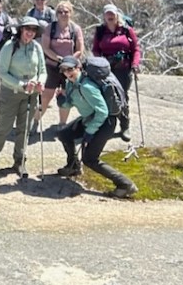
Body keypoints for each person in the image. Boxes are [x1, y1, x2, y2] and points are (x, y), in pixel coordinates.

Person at [54, 56, 138, 198]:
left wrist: (90, 131)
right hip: (89, 119)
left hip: (105, 123)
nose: (67, 72)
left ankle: (125, 184)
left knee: (90, 159)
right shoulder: (70, 83)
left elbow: (103, 111)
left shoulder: (87, 87)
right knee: (64, 134)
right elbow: (71, 103)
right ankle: (73, 166)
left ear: (78, 68)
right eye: (64, 70)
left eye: (70, 69)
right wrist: (61, 101)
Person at [0, 17, 46, 176]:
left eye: (33, 30)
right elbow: (2, 73)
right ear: (21, 30)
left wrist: (40, 82)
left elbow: (42, 70)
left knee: (24, 129)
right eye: (27, 29)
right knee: (4, 127)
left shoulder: (37, 47)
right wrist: (21, 84)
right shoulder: (9, 47)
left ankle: (20, 161)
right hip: (11, 93)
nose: (30, 32)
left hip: (31, 94)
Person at [91, 4, 141, 142]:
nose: (110, 16)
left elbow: (136, 49)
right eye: (107, 14)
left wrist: (135, 64)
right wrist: (99, 62)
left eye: (112, 14)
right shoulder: (101, 31)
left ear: (116, 15)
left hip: (123, 69)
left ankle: (125, 126)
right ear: (104, 16)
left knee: (122, 97)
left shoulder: (126, 30)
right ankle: (105, 126)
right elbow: (95, 49)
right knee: (105, 96)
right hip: (106, 69)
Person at [36, 0, 85, 132]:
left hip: (69, 68)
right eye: (60, 11)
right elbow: (45, 48)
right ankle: (35, 122)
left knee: (65, 96)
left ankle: (62, 124)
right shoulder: (50, 28)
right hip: (52, 66)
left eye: (66, 11)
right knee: (46, 95)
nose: (63, 14)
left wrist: (69, 61)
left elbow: (80, 49)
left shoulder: (75, 29)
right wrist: (58, 58)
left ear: (71, 13)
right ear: (56, 13)